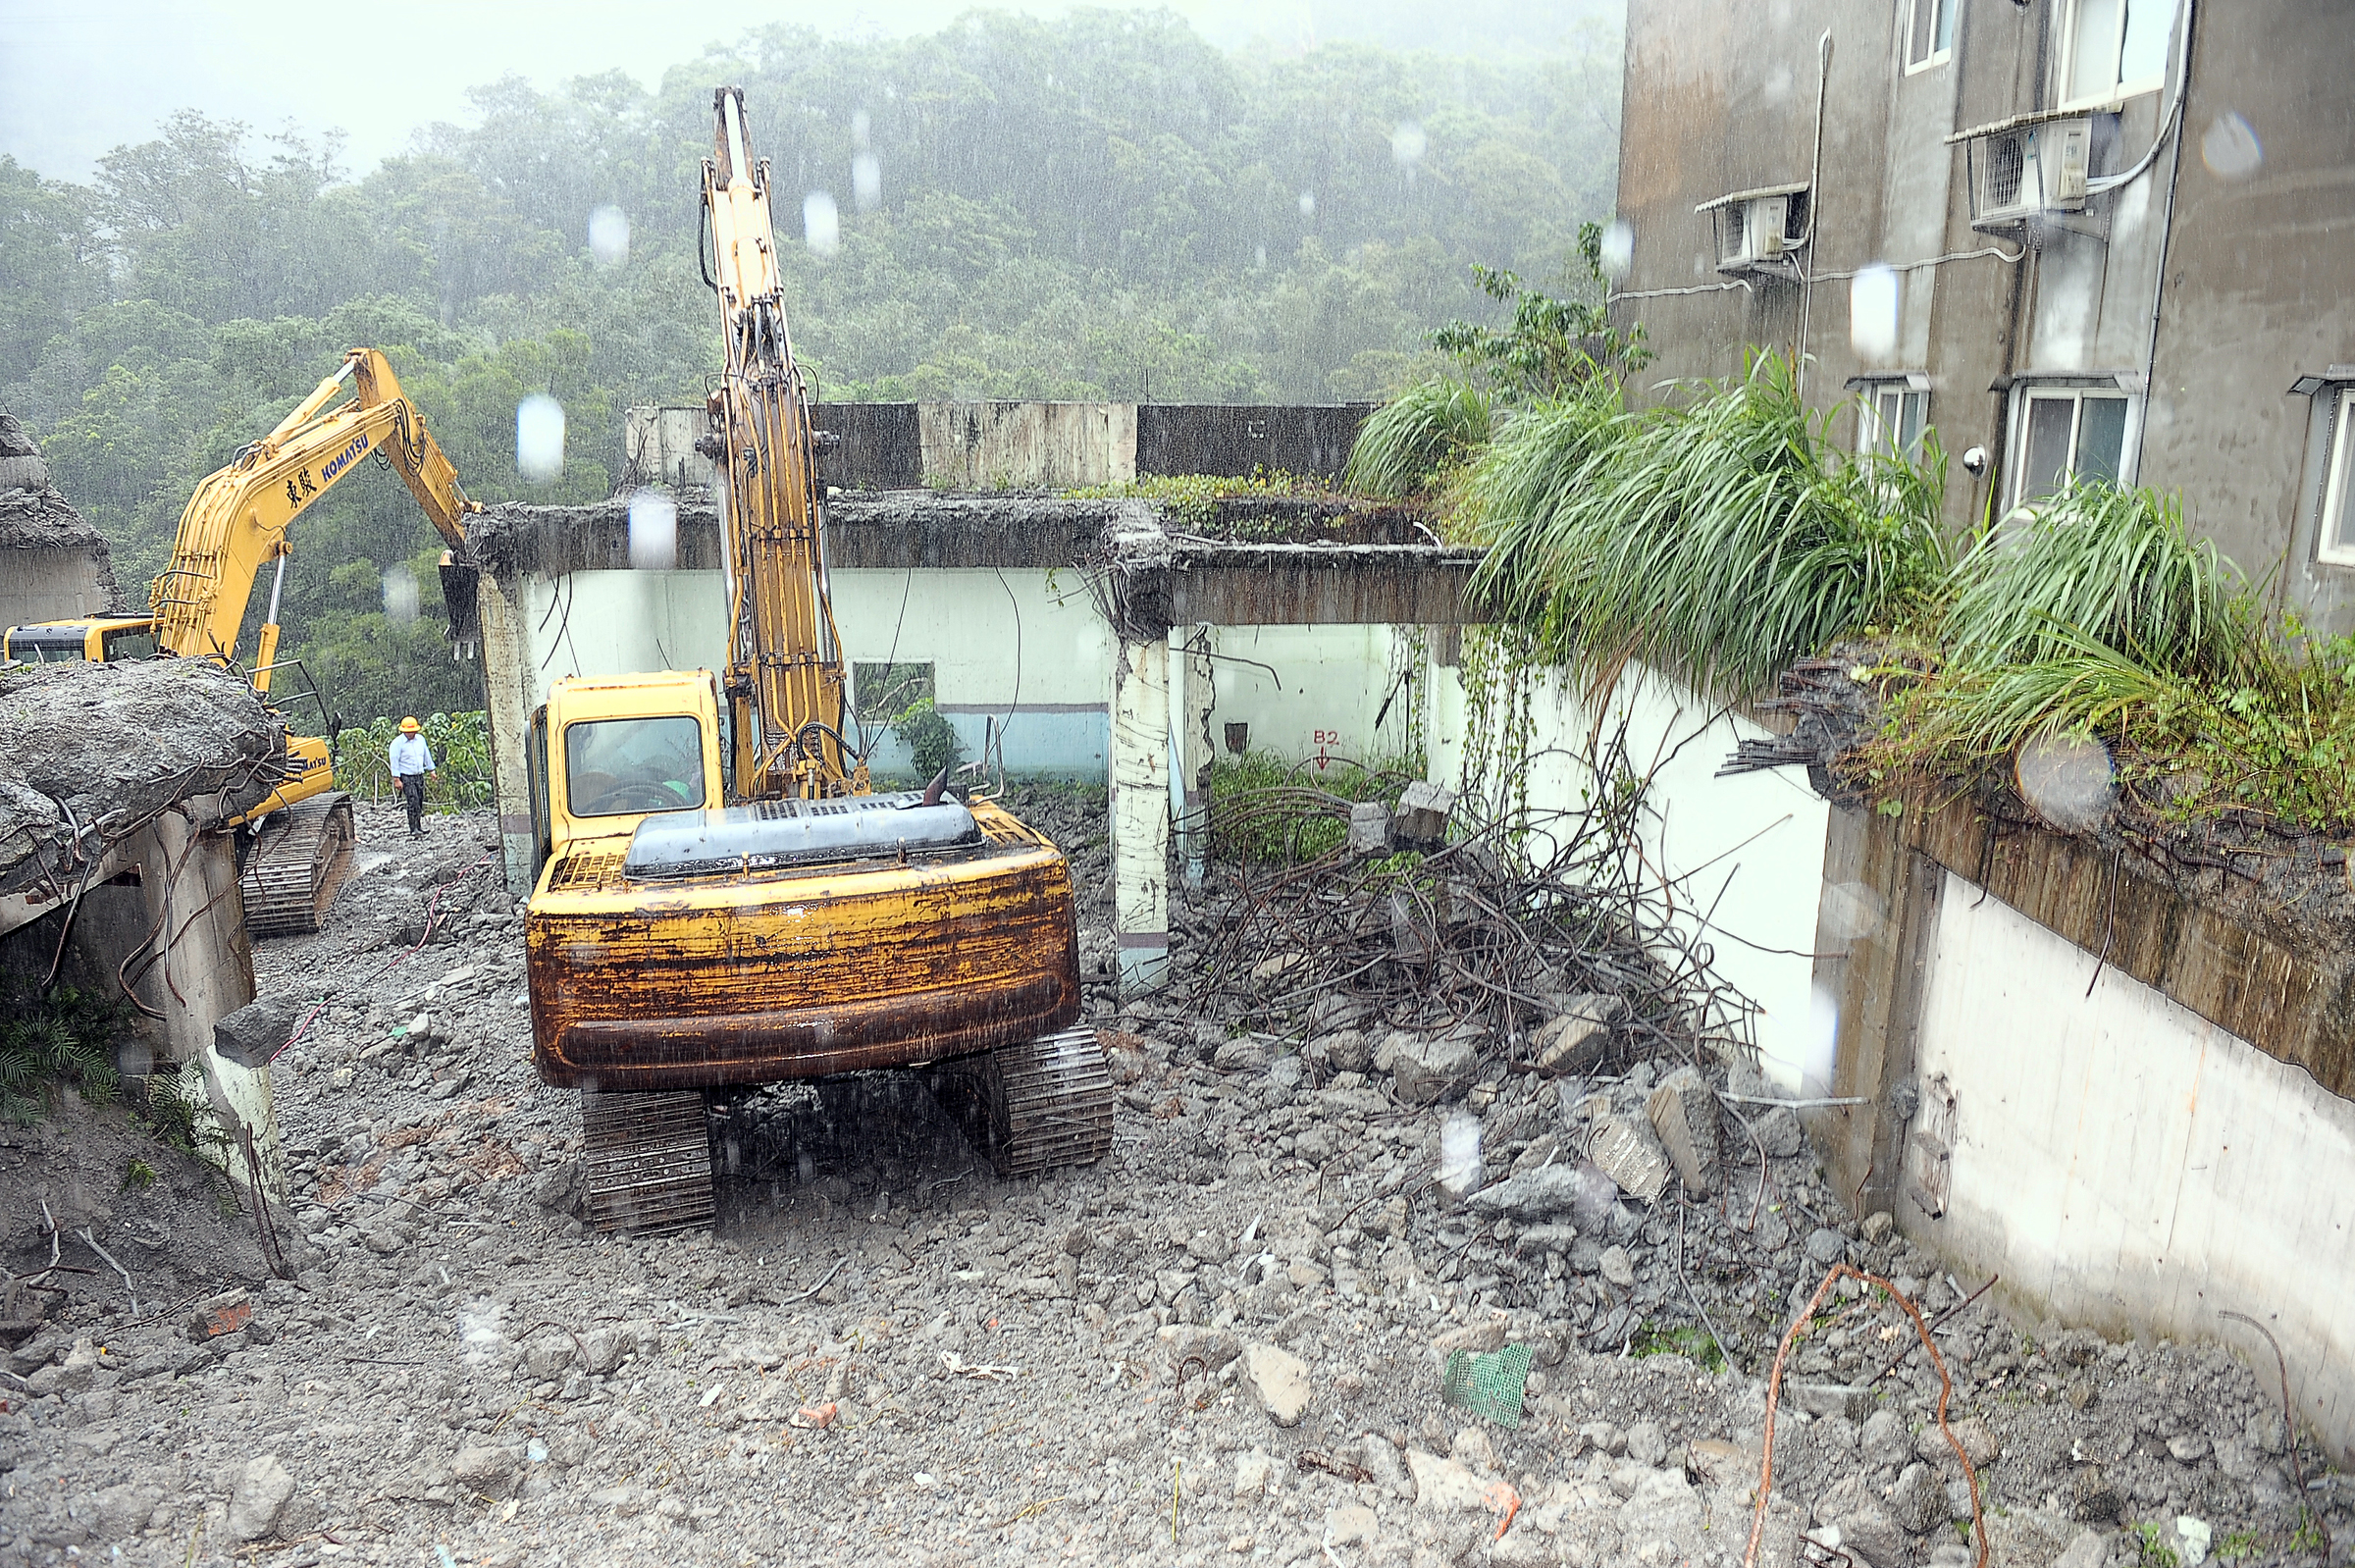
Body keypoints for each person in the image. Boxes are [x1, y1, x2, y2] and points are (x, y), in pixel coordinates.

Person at [390, 716, 438, 839]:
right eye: (408, 732)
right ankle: (413, 828)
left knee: (420, 800)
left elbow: (426, 755)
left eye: (413, 731)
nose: (411, 734)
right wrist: (396, 779)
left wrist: (431, 770)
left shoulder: (420, 740)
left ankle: (419, 826)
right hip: (406, 776)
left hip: (419, 775)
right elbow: (394, 761)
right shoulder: (397, 744)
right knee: (413, 801)